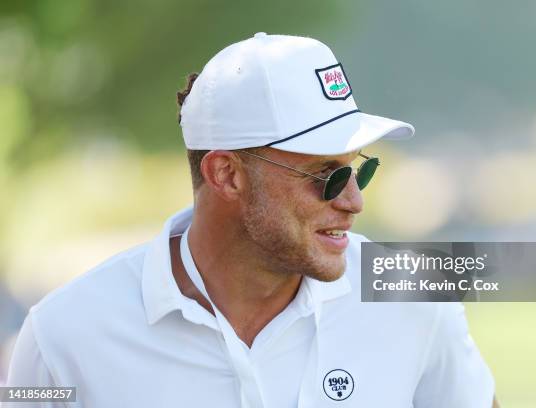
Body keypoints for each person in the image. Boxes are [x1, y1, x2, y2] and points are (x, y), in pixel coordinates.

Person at [5, 33, 498, 407]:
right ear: (227, 175)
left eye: (357, 170)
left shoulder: (414, 299)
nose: (353, 200)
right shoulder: (64, 336)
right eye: (325, 175)